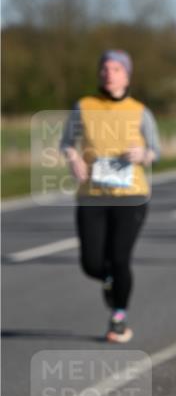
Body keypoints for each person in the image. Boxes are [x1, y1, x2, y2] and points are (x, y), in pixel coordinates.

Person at [60, 50, 160, 343]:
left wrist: (143, 154)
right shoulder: (83, 106)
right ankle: (107, 281)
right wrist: (73, 159)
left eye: (116, 68)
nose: (108, 73)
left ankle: (119, 316)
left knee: (119, 258)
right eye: (104, 68)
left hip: (131, 196)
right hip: (92, 195)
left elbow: (155, 150)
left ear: (126, 75)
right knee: (91, 263)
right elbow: (67, 142)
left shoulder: (140, 111)